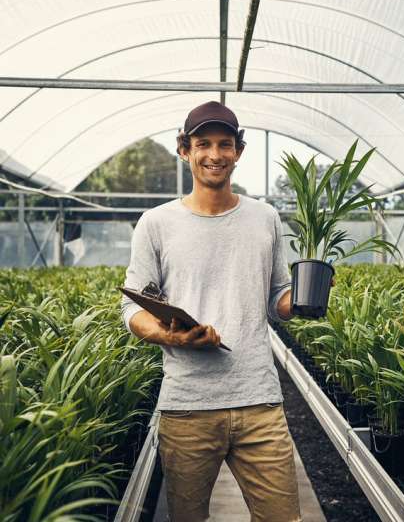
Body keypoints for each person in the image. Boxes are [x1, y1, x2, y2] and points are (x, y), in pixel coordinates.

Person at [120, 100, 301, 522]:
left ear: (238, 151)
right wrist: (171, 336)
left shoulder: (265, 218)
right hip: (187, 407)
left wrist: (301, 302)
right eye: (203, 144)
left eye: (225, 144)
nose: (214, 155)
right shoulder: (156, 223)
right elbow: (132, 305)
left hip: (260, 402)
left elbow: (277, 296)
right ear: (185, 149)